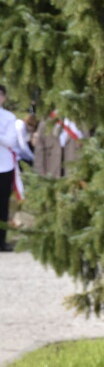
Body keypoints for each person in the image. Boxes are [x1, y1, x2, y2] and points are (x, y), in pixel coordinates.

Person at [0, 85, 20, 252]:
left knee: (3, 205)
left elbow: (11, 141)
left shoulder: (9, 117)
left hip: (4, 166)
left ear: (4, 98)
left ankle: (2, 241)